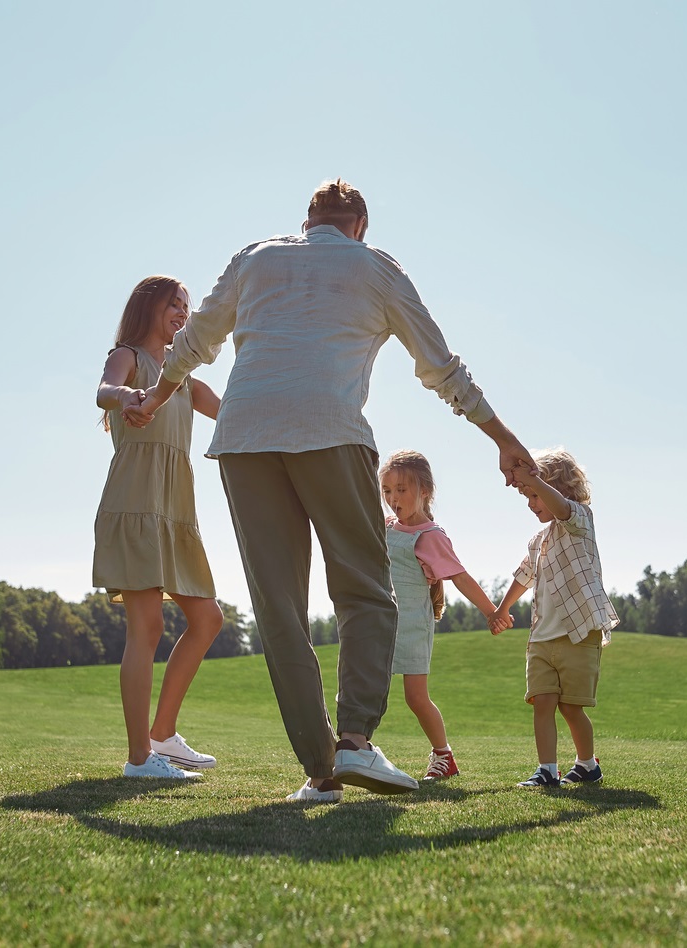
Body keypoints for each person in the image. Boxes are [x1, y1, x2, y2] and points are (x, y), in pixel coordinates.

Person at [128, 179, 534, 803]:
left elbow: (196, 341)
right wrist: (503, 438)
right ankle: (353, 743)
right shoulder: (375, 267)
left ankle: (321, 771)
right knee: (366, 591)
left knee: (281, 610)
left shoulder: (256, 257)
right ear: (360, 226)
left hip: (244, 439)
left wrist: (156, 395)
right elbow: (441, 367)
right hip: (330, 434)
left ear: (307, 221)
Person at [93, 275, 225, 779]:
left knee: (207, 619)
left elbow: (232, 411)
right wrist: (122, 398)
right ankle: (139, 759)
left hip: (175, 511)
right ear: (150, 306)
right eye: (175, 305)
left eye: (187, 309)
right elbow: (105, 388)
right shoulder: (127, 355)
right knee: (146, 628)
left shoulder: (183, 376)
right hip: (135, 502)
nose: (182, 315)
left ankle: (163, 735)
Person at [378, 450, 512, 782]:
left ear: (425, 491)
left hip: (412, 625)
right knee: (367, 687)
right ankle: (355, 747)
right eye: (387, 491)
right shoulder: (384, 526)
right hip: (380, 622)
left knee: (415, 697)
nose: (393, 498)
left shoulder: (431, 536)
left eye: (402, 490)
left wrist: (492, 611)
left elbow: (460, 576)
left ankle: (443, 755)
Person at [491, 448, 618, 789]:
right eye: (528, 497)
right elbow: (523, 574)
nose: (531, 503)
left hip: (578, 633)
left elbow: (560, 507)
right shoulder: (538, 540)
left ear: (558, 489)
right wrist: (502, 609)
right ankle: (547, 770)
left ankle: (587, 764)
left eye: (534, 495)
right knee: (542, 702)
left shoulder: (579, 519)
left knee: (571, 708)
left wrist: (534, 479)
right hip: (542, 639)